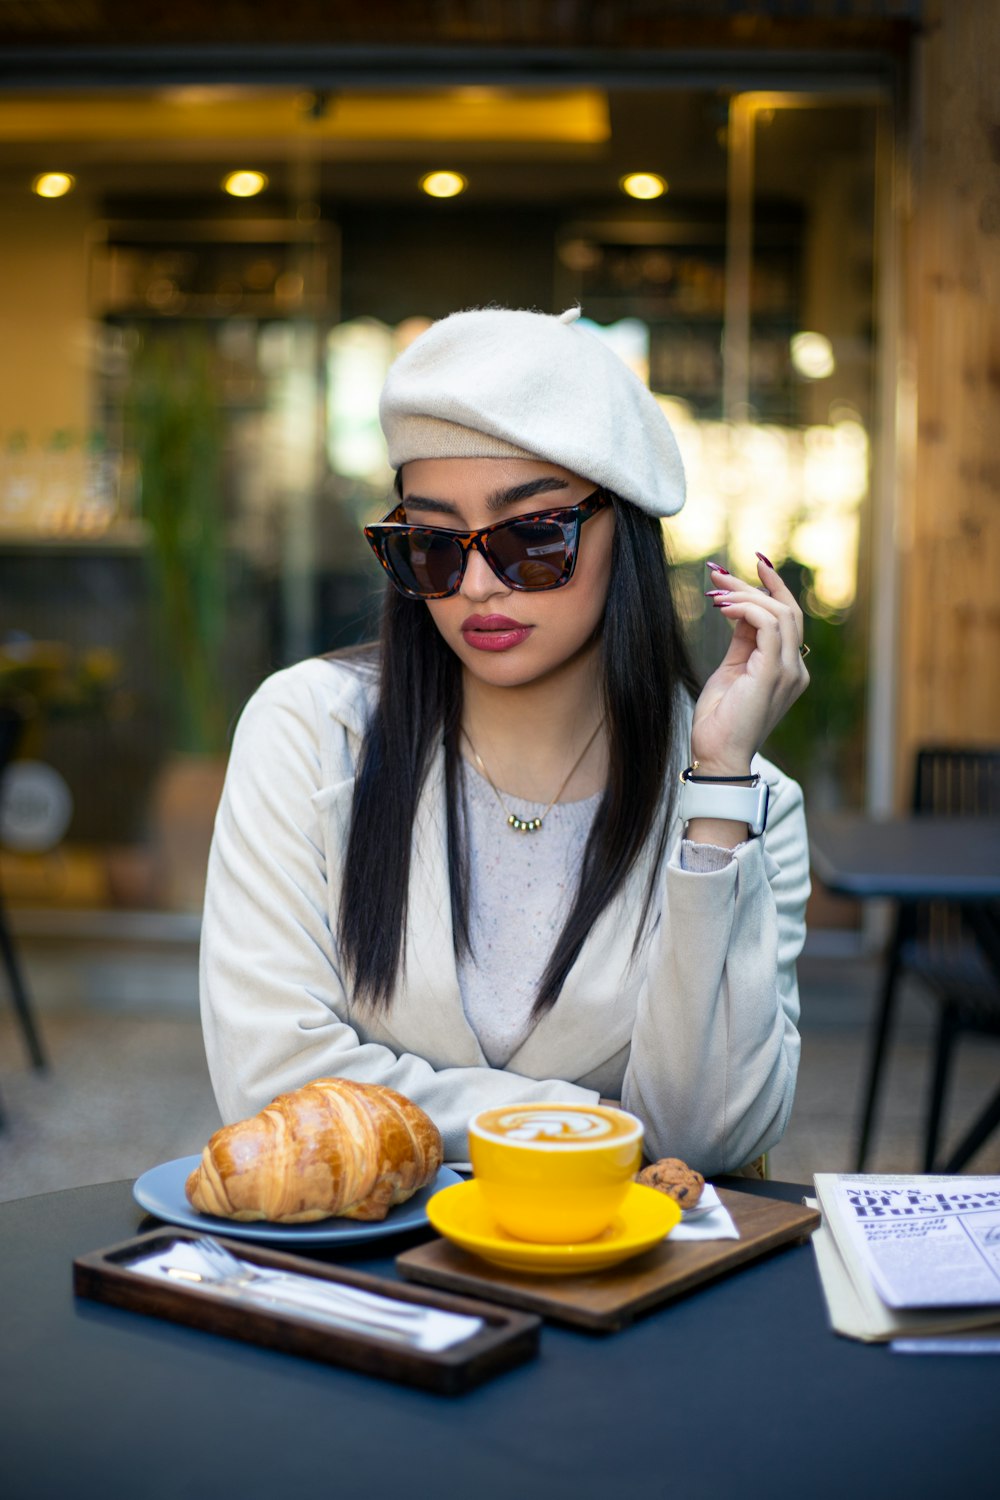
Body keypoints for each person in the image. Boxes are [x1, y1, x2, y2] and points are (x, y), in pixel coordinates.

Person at [199, 306, 811, 1174]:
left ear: (625, 532)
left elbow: (711, 1135)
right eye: (434, 546)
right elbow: (274, 1084)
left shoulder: (748, 804)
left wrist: (714, 786)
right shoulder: (309, 731)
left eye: (531, 537)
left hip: (612, 1287)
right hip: (374, 1282)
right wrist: (595, 1122)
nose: (479, 585)